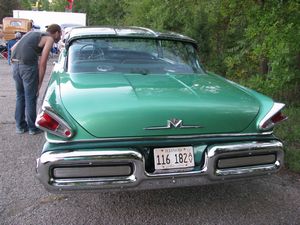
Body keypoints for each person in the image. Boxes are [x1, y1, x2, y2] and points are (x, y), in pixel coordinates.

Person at [11, 24, 61, 135]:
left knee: (20, 96)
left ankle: (20, 126)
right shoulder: (49, 38)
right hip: (28, 68)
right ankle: (32, 128)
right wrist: (39, 84)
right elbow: (42, 63)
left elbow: (12, 48)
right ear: (57, 32)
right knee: (31, 97)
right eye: (60, 34)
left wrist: (16, 64)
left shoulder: (31, 33)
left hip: (15, 65)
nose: (60, 37)